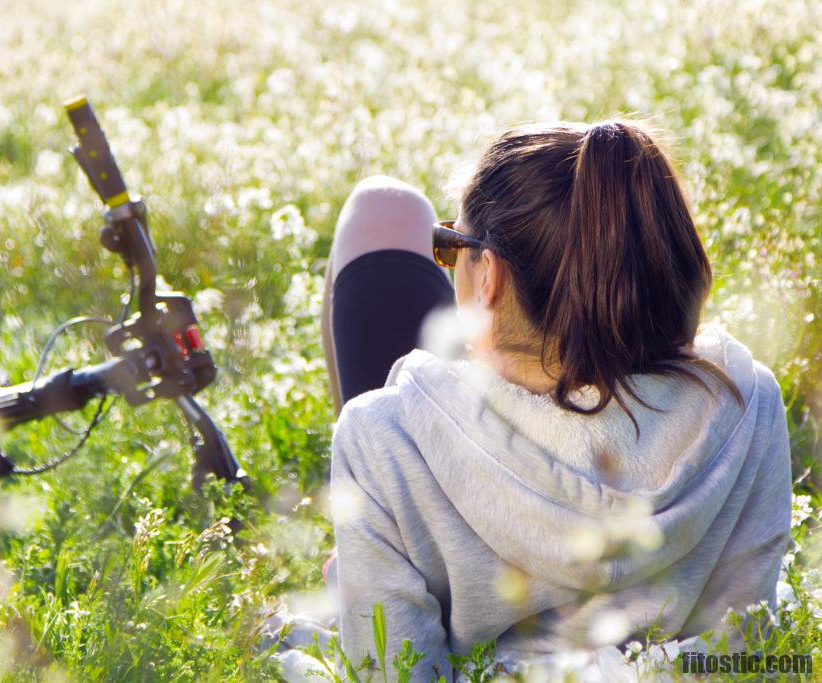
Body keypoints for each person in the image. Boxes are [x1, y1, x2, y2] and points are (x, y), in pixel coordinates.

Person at [322, 120, 792, 679]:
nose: (446, 262)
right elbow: (741, 648)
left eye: (450, 248)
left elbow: (392, 670)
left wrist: (361, 581)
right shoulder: (746, 400)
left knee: (380, 208)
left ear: (489, 276)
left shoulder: (383, 435)